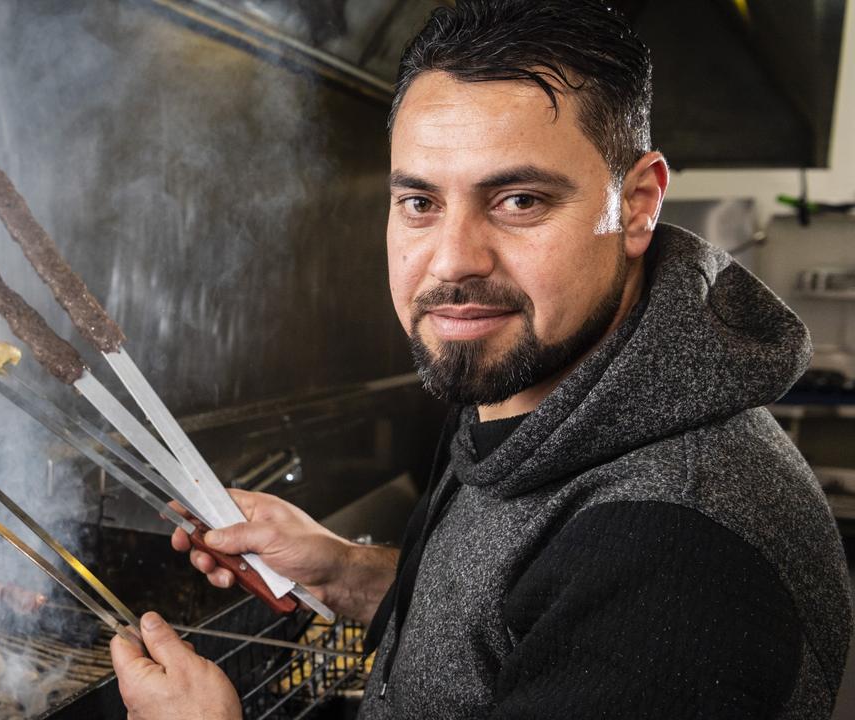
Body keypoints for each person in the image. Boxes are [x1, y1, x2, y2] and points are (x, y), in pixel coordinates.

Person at [110, 1, 854, 717]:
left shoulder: (680, 553)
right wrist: (344, 570)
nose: (454, 263)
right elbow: (513, 628)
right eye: (420, 203)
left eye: (520, 200)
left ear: (636, 205)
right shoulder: (524, 387)